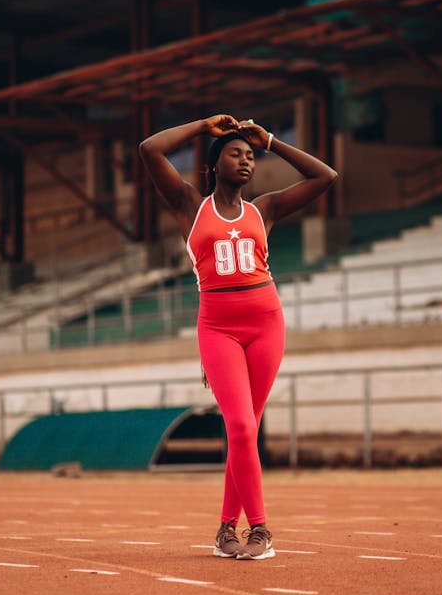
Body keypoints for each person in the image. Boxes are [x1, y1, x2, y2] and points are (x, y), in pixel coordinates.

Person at [139, 114, 337, 559]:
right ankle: (261, 531)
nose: (247, 160)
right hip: (218, 328)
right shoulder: (190, 205)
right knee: (242, 427)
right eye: (236, 153)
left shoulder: (263, 209)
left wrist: (271, 140)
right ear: (213, 165)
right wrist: (203, 126)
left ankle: (227, 530)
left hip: (267, 324)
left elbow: (326, 176)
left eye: (251, 155)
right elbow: (150, 149)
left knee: (246, 432)